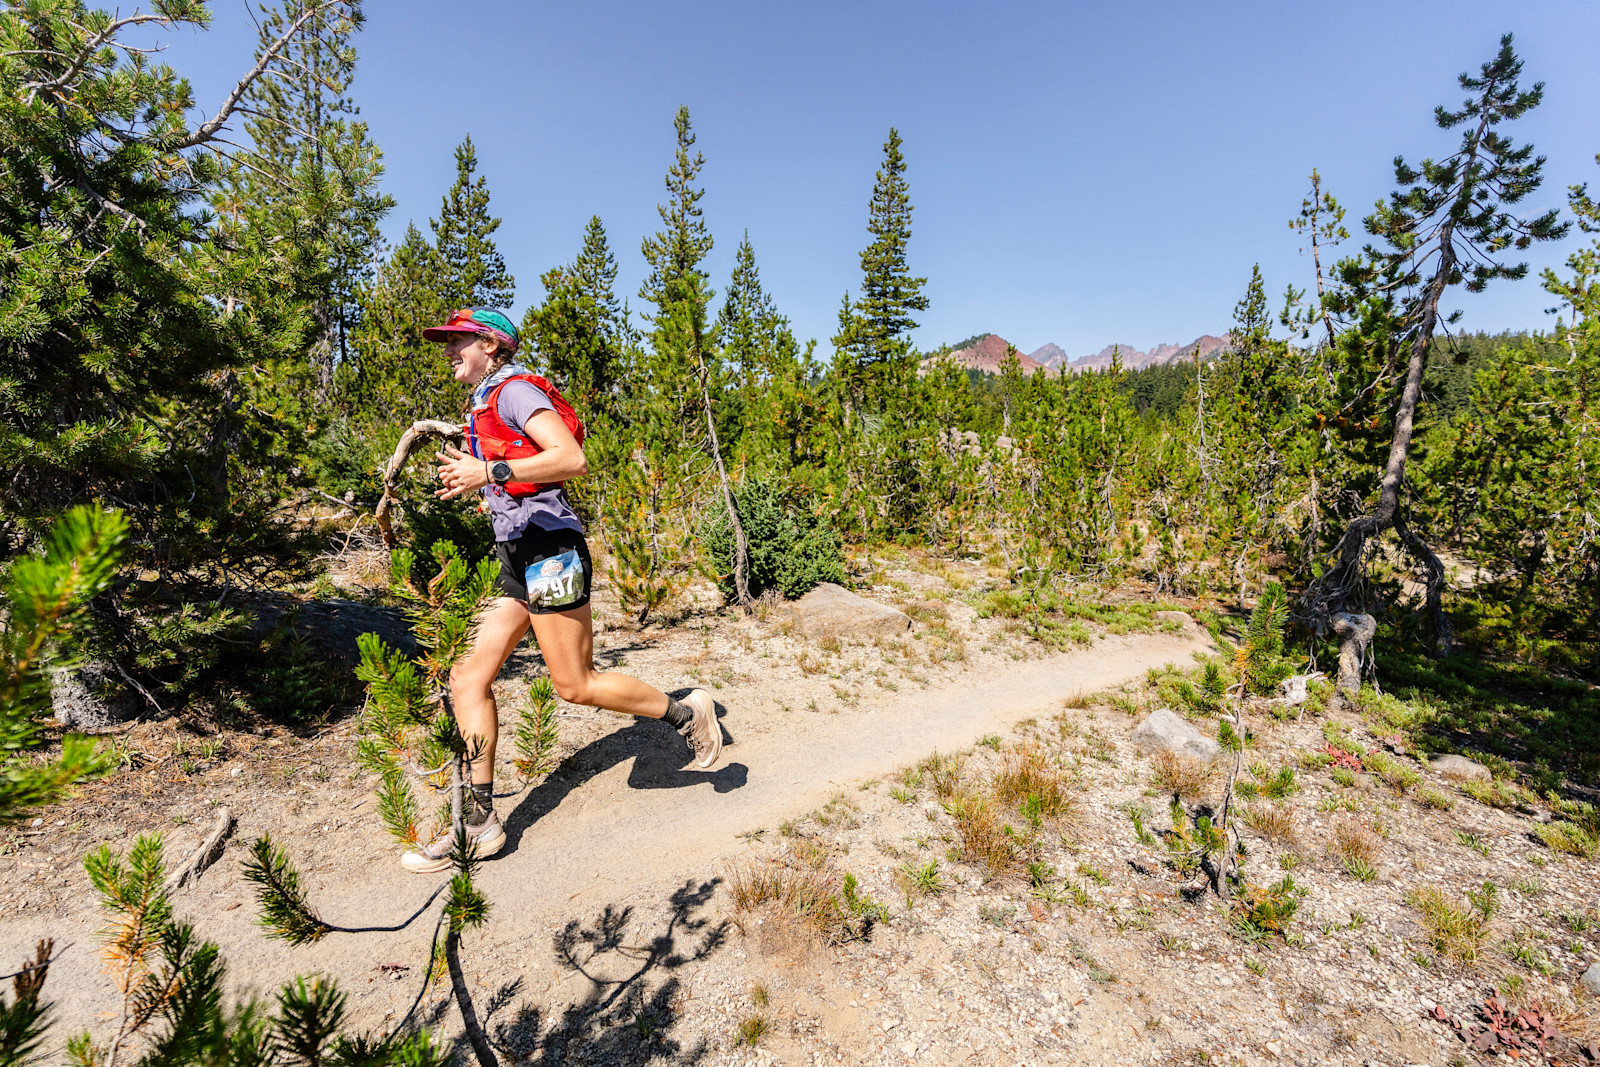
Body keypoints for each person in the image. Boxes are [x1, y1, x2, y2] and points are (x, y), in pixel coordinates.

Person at [399, 306, 721, 874]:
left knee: (574, 685)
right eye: (445, 343)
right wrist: (491, 488)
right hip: (518, 555)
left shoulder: (517, 392)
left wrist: (489, 475)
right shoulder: (485, 401)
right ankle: (478, 824)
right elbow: (524, 468)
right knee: (467, 676)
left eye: (459, 342)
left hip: (552, 552)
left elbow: (572, 459)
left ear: (491, 346)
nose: (448, 351)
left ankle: (686, 714)